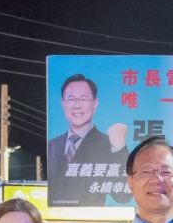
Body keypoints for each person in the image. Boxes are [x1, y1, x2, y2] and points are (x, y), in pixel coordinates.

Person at [47, 74, 132, 207]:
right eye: (71, 99)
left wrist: (119, 146)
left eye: (83, 99)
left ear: (95, 103)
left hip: (93, 218)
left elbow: (123, 196)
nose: (77, 105)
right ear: (62, 103)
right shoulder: (52, 145)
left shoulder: (110, 144)